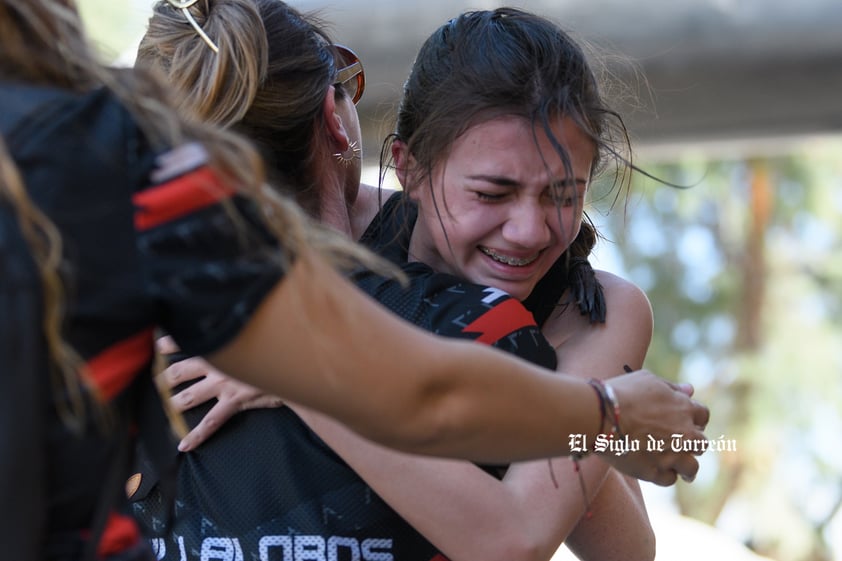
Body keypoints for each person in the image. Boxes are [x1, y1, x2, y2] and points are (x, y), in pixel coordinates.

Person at [0, 1, 709, 559]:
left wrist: (301, 370)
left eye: (563, 193)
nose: (527, 230)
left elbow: (623, 544)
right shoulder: (271, 255)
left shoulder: (595, 307)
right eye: (491, 193)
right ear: (402, 161)